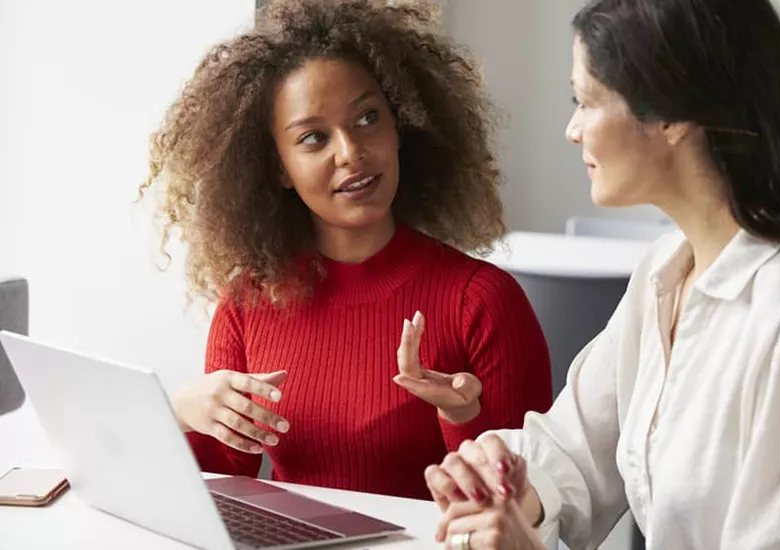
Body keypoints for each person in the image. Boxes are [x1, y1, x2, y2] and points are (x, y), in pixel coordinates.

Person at [423, 0, 780, 548]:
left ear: (671, 116)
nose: (572, 129)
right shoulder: (665, 271)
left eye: (584, 101)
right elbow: (574, 451)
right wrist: (504, 482)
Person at [138, 0, 553, 501]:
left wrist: (461, 417)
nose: (351, 152)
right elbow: (222, 487)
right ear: (277, 169)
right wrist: (180, 410)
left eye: (367, 118)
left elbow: (524, 509)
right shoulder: (246, 305)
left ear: (399, 127)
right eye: (313, 137)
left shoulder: (483, 301)